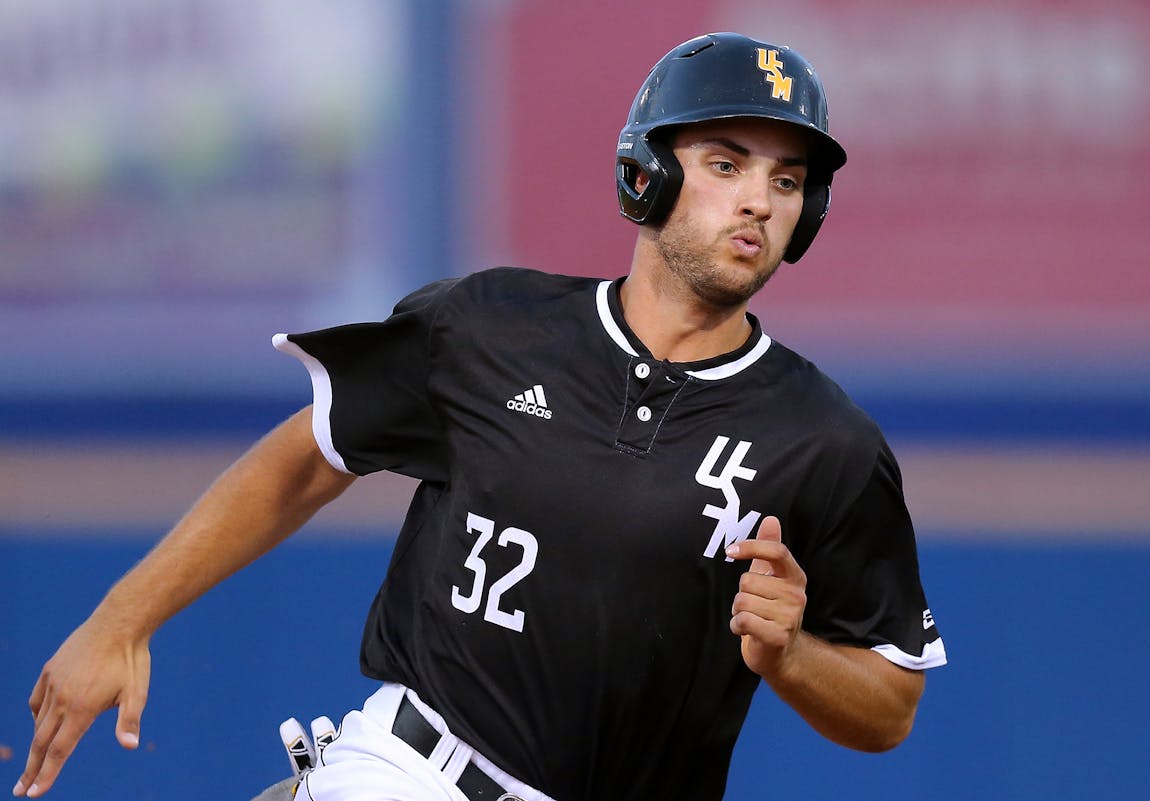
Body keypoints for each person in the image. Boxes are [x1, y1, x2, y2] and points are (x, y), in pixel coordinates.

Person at [14, 31, 946, 801]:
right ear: (647, 176)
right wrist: (122, 618)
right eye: (725, 162)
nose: (757, 199)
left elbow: (889, 705)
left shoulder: (827, 441)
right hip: (411, 771)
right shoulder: (494, 324)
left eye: (787, 182)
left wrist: (789, 657)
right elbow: (306, 461)